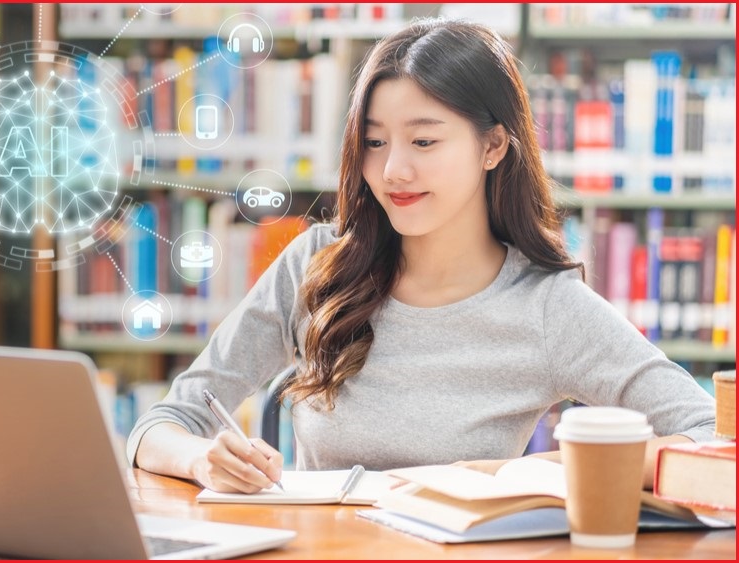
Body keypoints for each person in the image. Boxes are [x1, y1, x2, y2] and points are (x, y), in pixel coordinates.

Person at [127, 18, 716, 493]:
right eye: (375, 142)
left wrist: (525, 474)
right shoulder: (317, 262)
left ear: (492, 146)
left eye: (424, 141)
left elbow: (709, 435)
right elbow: (162, 425)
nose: (393, 171)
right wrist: (206, 460)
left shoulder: (547, 306)